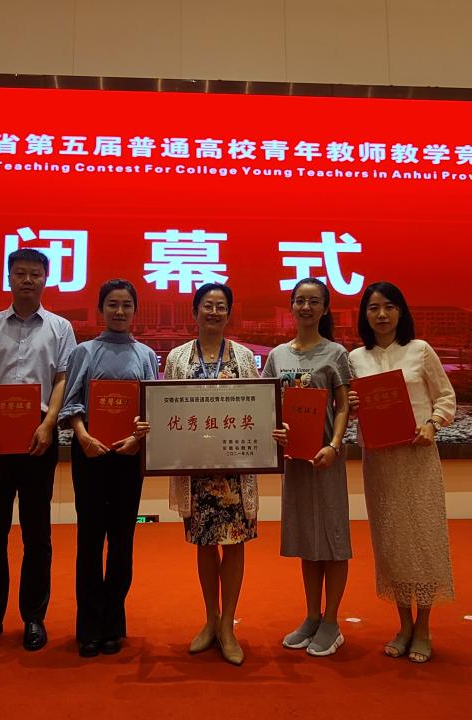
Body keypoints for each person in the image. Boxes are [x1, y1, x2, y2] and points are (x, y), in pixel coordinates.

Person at [0, 248, 76, 654]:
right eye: (20, 273)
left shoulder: (60, 328)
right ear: (9, 277)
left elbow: (62, 380)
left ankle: (33, 617)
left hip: (38, 436)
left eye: (35, 274)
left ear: (46, 279)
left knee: (37, 533)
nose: (28, 280)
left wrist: (49, 424)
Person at [165, 282, 286, 666]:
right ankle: (211, 620)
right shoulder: (177, 358)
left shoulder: (245, 356)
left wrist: (274, 429)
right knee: (204, 544)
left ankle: (228, 625)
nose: (214, 312)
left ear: (229, 314)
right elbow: (166, 410)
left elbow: (260, 407)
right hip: (196, 469)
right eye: (207, 305)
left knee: (234, 544)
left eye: (221, 306)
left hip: (235, 469)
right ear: (195, 311)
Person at [348, 281, 455, 664]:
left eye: (389, 306)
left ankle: (424, 627)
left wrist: (433, 425)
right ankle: (403, 625)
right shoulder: (355, 357)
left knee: (423, 541)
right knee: (391, 543)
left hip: (417, 456)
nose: (381, 314)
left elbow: (446, 397)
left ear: (401, 311)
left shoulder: (420, 350)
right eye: (373, 308)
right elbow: (353, 406)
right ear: (364, 315)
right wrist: (352, 403)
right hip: (379, 460)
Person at [59, 279, 158, 658]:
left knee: (121, 540)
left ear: (135, 310)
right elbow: (72, 402)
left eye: (126, 305)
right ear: (101, 309)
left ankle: (113, 624)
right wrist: (83, 436)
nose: (119, 311)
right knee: (89, 539)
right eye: (112, 304)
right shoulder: (83, 352)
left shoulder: (146, 355)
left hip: (128, 456)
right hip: (90, 454)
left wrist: (137, 440)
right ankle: (89, 627)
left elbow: (152, 407)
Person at [261, 278, 351, 657]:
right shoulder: (277, 355)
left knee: (332, 538)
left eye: (314, 301)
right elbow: (266, 404)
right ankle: (312, 616)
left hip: (326, 459)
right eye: (300, 300)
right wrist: (275, 434)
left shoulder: (336, 353)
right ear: (292, 306)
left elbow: (344, 406)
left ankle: (332, 621)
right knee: (306, 539)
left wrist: (334, 445)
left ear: (325, 308)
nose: (306, 307)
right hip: (294, 460)